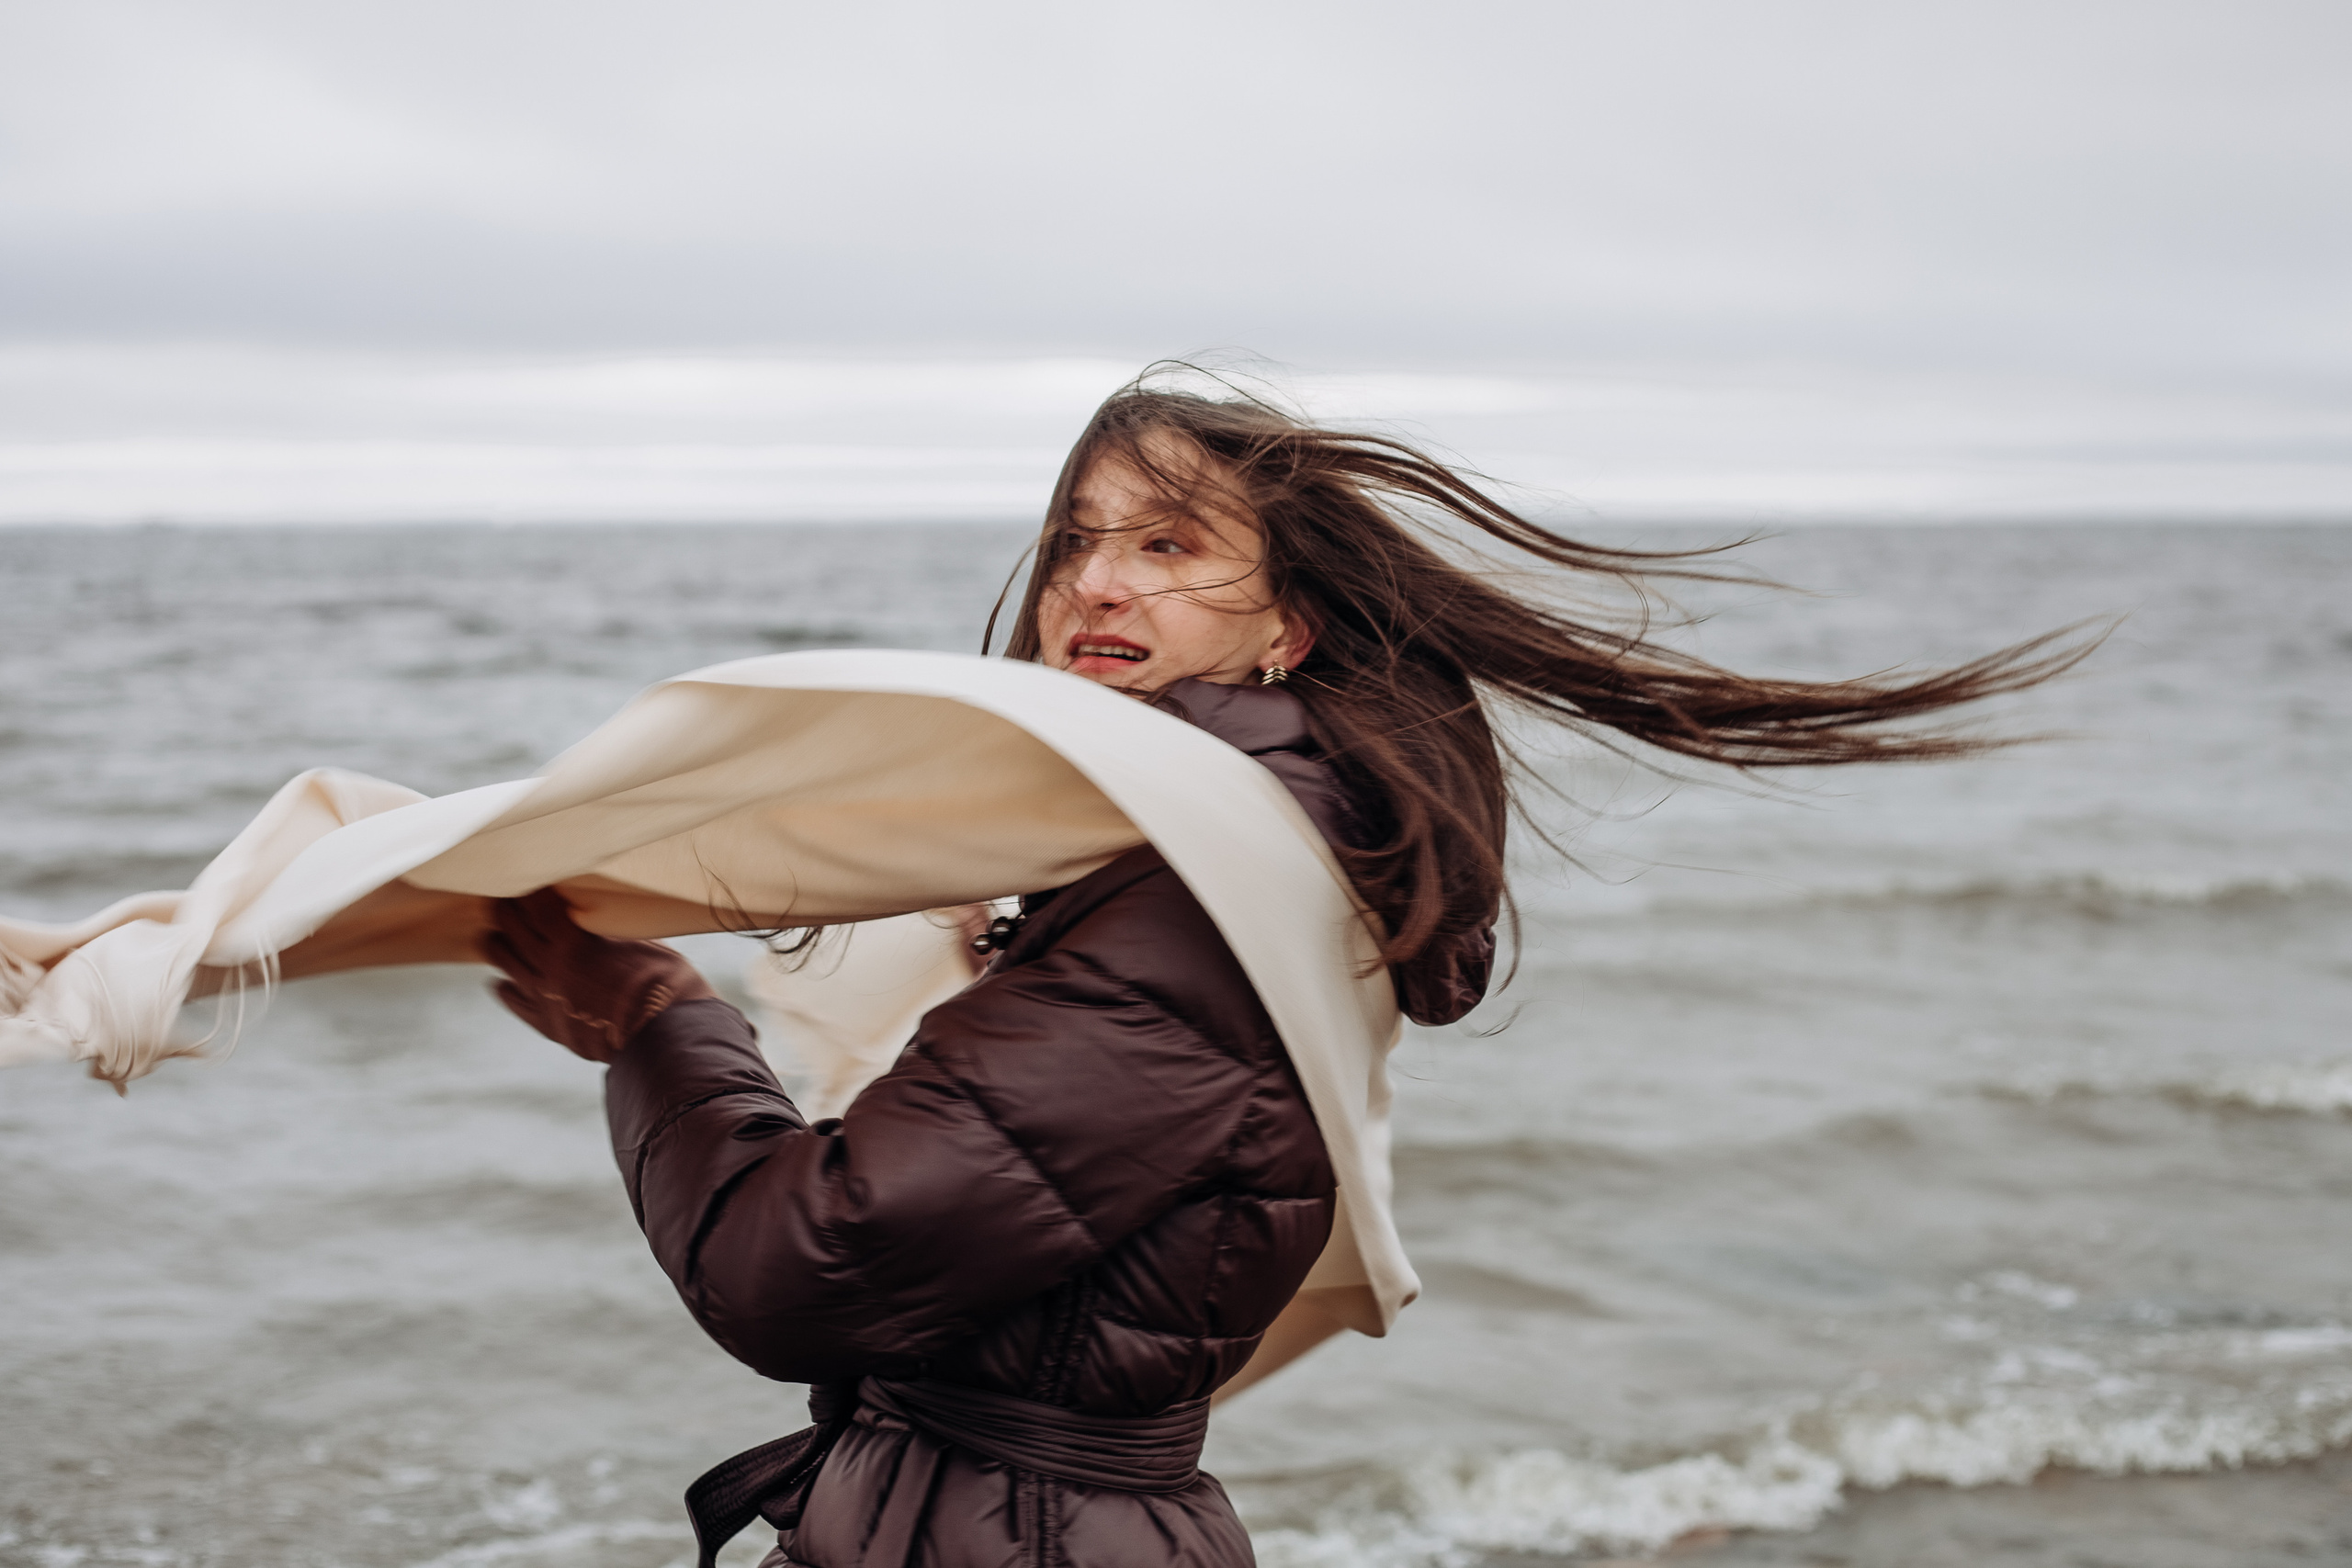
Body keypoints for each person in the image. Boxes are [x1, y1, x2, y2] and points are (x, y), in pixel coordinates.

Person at [479, 372, 2093, 1568]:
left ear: (1286, 635)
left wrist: (655, 1021)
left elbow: (802, 1264)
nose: (1095, 584)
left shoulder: (1212, 893)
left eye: (1171, 545)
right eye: (1076, 542)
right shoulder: (1152, 863)